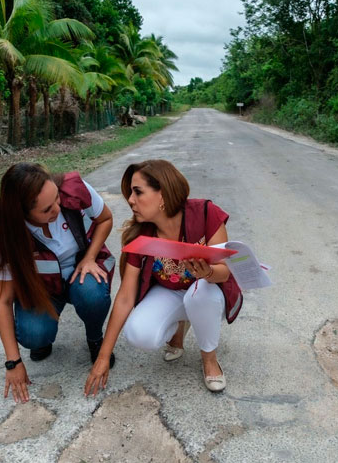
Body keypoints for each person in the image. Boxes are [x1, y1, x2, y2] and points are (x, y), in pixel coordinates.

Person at [84, 159, 242, 397]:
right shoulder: (140, 236)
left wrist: (207, 272)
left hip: (207, 291)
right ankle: (180, 328)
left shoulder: (206, 213)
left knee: (200, 295)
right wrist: (103, 357)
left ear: (163, 195)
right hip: (170, 291)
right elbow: (126, 297)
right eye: (130, 193)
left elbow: (225, 272)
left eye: (138, 192)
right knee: (139, 334)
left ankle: (209, 359)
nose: (130, 200)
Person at [0, 163, 116, 403]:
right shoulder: (3, 237)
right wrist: (13, 362)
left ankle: (95, 337)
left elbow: (106, 218)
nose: (58, 207)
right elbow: (2, 300)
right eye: (47, 209)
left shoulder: (74, 189)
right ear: (21, 213)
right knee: (33, 334)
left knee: (93, 294)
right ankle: (43, 339)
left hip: (81, 271)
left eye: (56, 197)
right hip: (43, 288)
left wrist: (88, 258)